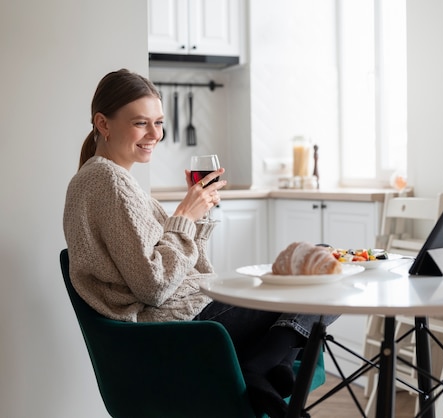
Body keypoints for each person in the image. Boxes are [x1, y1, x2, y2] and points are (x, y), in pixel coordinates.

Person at [63, 69, 337, 418]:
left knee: (321, 257)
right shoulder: (108, 181)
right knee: (324, 276)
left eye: (159, 122)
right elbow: (154, 286)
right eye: (140, 123)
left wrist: (197, 219)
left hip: (188, 313)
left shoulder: (109, 179)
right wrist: (184, 217)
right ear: (103, 123)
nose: (154, 134)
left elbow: (191, 271)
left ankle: (266, 366)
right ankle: (265, 365)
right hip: (175, 328)